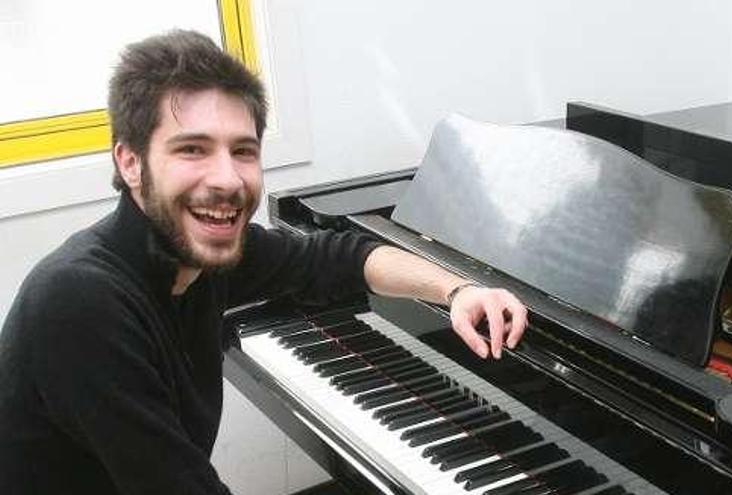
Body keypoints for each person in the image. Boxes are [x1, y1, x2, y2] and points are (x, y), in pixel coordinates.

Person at [0, 30, 527, 494]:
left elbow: (340, 256)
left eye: (243, 151)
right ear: (130, 161)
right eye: (192, 149)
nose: (228, 178)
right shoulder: (79, 302)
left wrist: (458, 291)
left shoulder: (201, 254)